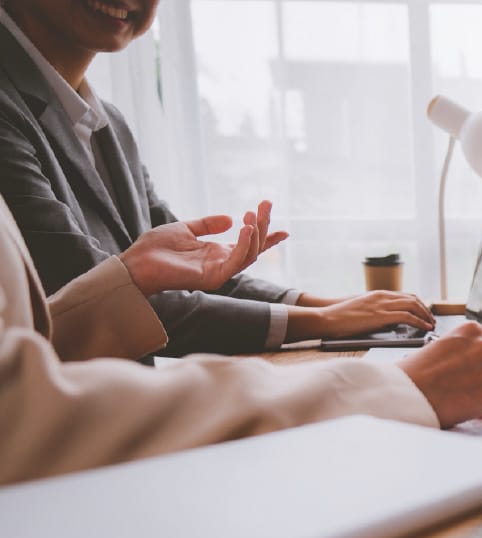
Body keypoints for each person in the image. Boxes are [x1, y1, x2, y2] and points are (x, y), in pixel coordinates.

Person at [0, 191, 482, 486]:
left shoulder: (107, 120)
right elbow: (19, 415)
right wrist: (391, 385)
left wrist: (122, 282)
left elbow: (22, 345)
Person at [0, 0, 437, 357]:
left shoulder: (105, 121)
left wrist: (326, 304)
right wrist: (321, 322)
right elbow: (104, 297)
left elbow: (185, 268)